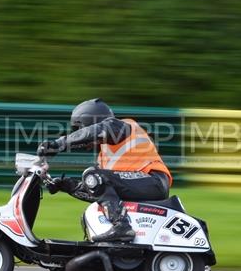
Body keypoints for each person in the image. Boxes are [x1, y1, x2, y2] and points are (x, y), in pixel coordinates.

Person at [37, 98, 173, 242]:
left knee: (92, 174)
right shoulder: (104, 155)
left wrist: (59, 144)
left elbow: (96, 131)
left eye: (79, 129)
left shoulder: (121, 126)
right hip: (143, 183)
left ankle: (121, 227)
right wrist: (66, 185)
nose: (79, 136)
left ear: (90, 122)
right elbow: (99, 192)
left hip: (154, 180)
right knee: (92, 182)